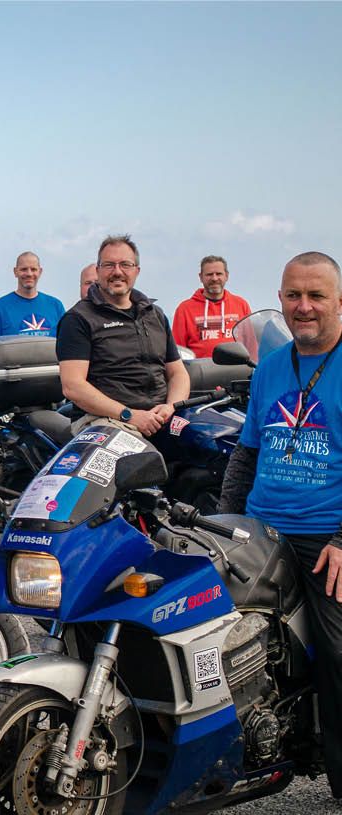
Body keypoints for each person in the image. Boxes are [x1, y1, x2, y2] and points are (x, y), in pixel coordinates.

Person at [219, 251, 342, 799]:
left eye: (316, 295)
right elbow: (246, 454)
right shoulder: (271, 366)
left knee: (338, 654)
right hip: (263, 529)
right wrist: (225, 523)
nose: (304, 306)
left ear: (339, 301)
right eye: (293, 295)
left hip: (327, 535)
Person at [56, 234, 190, 437]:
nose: (117, 272)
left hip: (160, 415)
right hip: (104, 420)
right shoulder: (78, 319)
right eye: (109, 265)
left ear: (137, 271)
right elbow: (73, 386)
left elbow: (177, 373)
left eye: (125, 265)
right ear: (98, 270)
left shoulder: (155, 315)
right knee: (140, 463)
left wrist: (171, 406)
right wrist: (130, 415)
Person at [171, 255, 253, 358]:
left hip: (237, 370)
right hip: (200, 371)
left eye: (219, 274)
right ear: (200, 277)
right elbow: (177, 351)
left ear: (226, 276)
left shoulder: (241, 305)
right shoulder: (184, 309)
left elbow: (251, 345)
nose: (214, 278)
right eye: (209, 274)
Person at [0, 251, 66, 337]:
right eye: (24, 269)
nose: (29, 274)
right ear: (15, 272)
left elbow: (67, 342)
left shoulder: (56, 306)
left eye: (33, 269)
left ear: (40, 272)